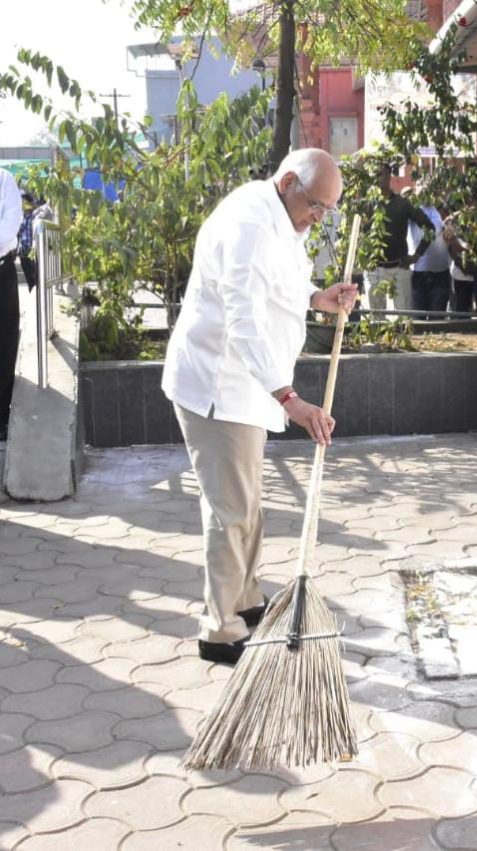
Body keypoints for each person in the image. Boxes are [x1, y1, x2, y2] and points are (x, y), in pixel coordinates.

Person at [161, 148, 358, 665]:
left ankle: (245, 600)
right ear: (289, 181)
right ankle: (220, 629)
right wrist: (289, 399)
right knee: (230, 511)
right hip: (219, 387)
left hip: (246, 389)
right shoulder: (248, 223)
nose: (318, 217)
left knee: (247, 505)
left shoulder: (281, 217)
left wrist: (317, 298)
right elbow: (242, 318)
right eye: (316, 205)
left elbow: (282, 284)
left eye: (327, 210)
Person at [364, 164, 433, 314]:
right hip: (374, 269)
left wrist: (416, 256)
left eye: (380, 174)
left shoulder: (403, 203)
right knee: (375, 318)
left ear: (389, 176)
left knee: (405, 317)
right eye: (374, 174)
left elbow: (429, 227)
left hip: (399, 267)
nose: (377, 178)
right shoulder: (367, 205)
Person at [0, 168, 24, 442]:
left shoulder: (4, 180)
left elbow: (8, 228)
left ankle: (1, 416)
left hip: (1, 271)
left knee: (4, 342)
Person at [409, 200, 451, 316]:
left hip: (441, 273)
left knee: (437, 319)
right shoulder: (411, 207)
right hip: (418, 272)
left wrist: (451, 226)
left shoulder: (442, 208)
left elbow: (453, 221)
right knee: (418, 319)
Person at [18, 192, 38, 293]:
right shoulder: (21, 217)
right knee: (27, 273)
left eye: (24, 202)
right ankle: (31, 288)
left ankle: (35, 289)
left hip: (32, 251)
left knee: (34, 273)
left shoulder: (34, 216)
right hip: (23, 250)